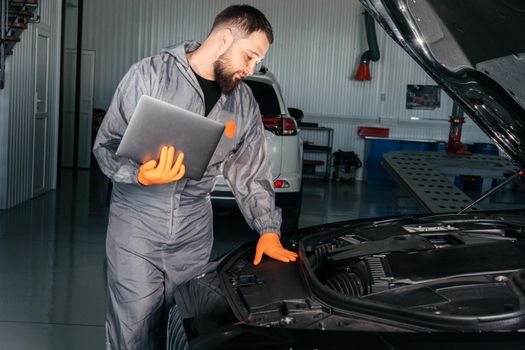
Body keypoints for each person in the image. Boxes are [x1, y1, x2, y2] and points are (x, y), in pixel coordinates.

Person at [93, 4, 298, 349]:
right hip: (136, 228)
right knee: (134, 330)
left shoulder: (243, 102)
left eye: (256, 62)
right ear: (224, 38)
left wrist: (268, 230)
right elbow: (106, 146)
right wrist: (140, 174)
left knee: (187, 327)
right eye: (249, 57)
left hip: (192, 234)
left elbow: (251, 173)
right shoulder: (150, 75)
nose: (251, 69)